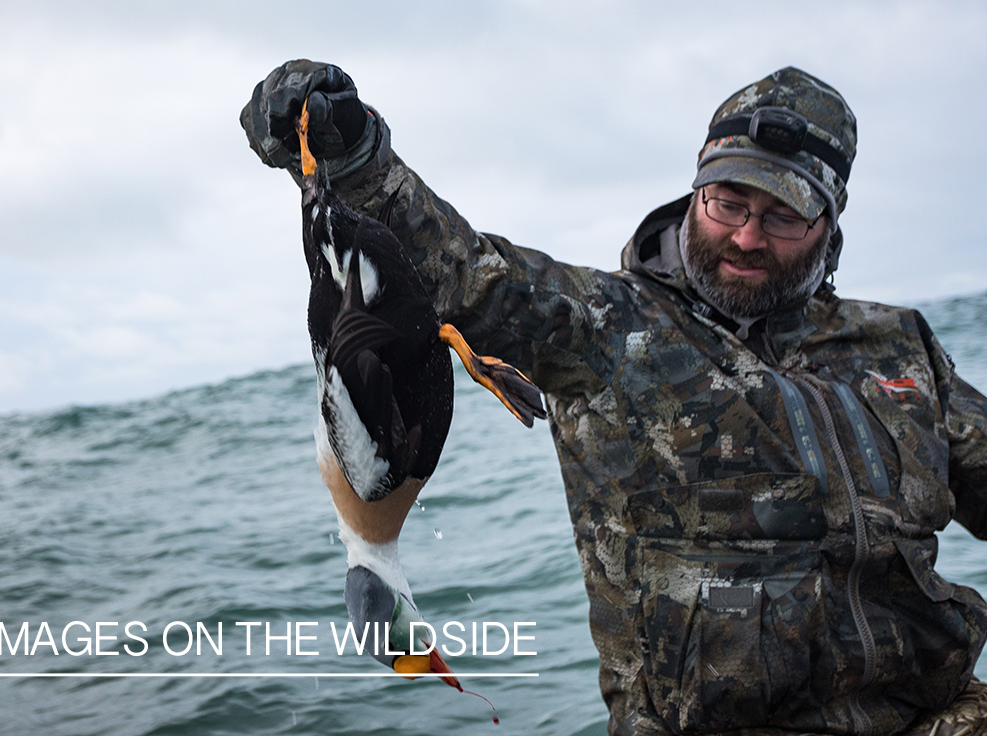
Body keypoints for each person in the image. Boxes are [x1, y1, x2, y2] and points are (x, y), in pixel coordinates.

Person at [241, 61, 987, 736]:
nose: (747, 237)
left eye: (783, 217)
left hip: (940, 711)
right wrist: (352, 154)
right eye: (728, 202)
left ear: (829, 226)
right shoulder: (599, 326)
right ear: (696, 192)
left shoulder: (897, 343)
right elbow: (459, 271)